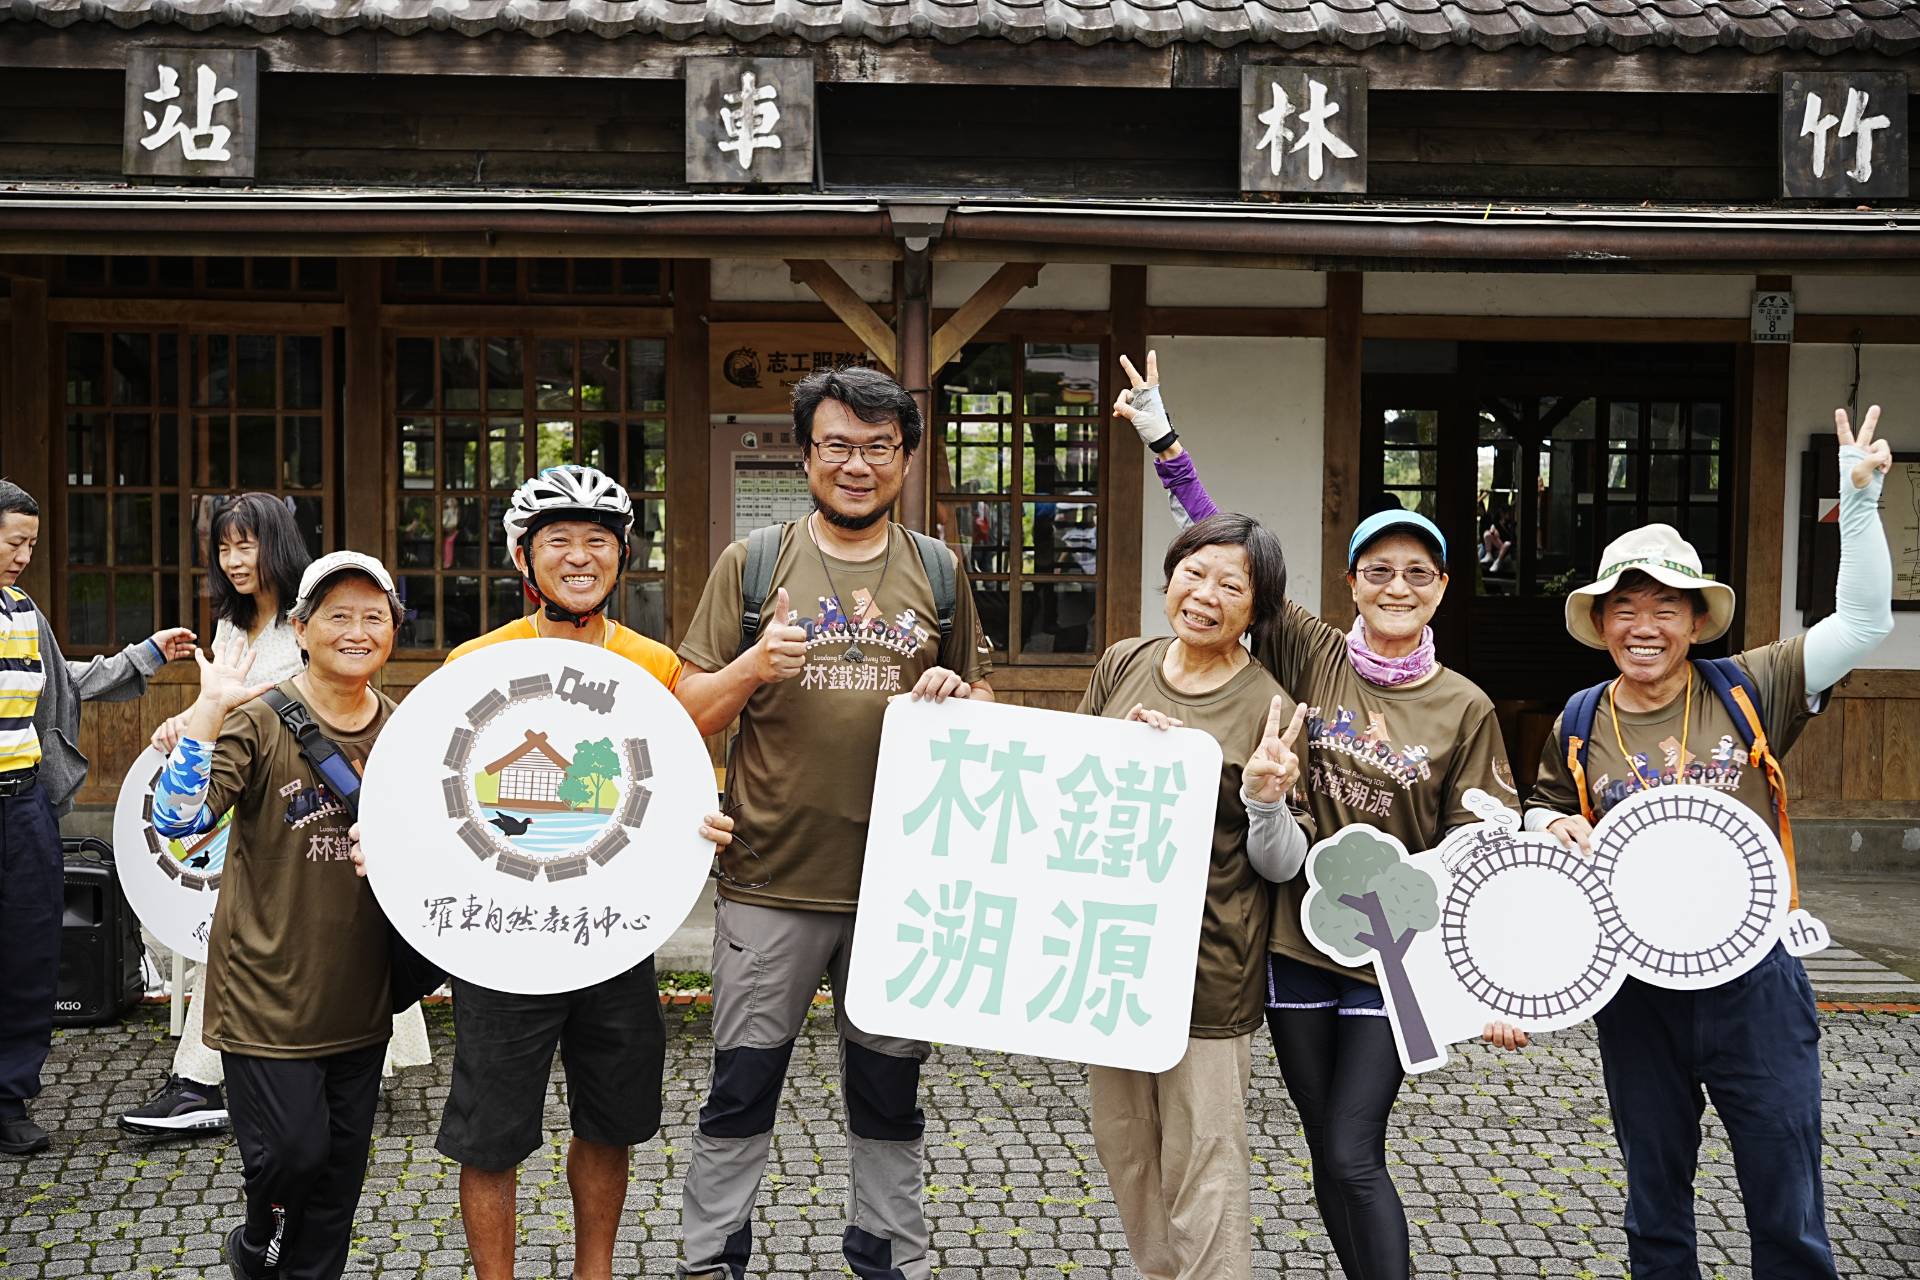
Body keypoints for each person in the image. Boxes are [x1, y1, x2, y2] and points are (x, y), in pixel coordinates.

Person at [1117, 352, 1521, 1280]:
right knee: (1324, 1154)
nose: (1397, 586)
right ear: (1352, 584)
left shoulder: (1465, 706)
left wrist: (1493, 975)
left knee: (1351, 1149)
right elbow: (1223, 551)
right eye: (1378, 570)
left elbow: (1484, 840)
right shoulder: (1311, 653)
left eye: (1418, 573)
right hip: (1296, 949)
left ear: (1442, 589)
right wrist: (1161, 438)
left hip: (1392, 961)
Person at [1508, 406, 1896, 1280]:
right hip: (1636, 989)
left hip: (1754, 980)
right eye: (1624, 608)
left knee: (1785, 1201)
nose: (1643, 625)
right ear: (1601, 621)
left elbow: (1868, 626)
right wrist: (1550, 823)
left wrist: (1860, 504)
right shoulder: (1578, 719)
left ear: (1695, 620)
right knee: (1655, 1203)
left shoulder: (1751, 686)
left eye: (1665, 607)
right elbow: (1536, 810)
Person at [674, 365, 995, 1280]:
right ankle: (711, 1254)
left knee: (890, 1090)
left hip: (903, 885)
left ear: (905, 458)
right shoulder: (756, 563)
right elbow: (690, 706)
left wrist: (956, 691)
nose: (858, 464)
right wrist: (754, 667)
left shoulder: (939, 568)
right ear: (807, 454)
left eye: (879, 447)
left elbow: (981, 696)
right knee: (741, 1083)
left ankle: (886, 1248)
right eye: (838, 445)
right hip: (772, 877)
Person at [432, 463, 737, 1280]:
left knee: (610, 1121)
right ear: (522, 560)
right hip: (501, 937)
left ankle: (592, 1272)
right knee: (490, 1133)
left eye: (596, 540)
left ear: (621, 555)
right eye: (556, 541)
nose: (578, 556)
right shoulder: (475, 659)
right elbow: (431, 784)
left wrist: (700, 820)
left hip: (611, 932)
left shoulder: (656, 662)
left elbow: (677, 776)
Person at [123, 494, 431, 1137]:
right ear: (306, 626)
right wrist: (199, 719)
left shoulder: (393, 720)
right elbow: (229, 713)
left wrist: (201, 718)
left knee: (350, 926)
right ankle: (207, 1077)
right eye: (224, 546)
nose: (234, 560)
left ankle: (334, 1063)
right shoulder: (235, 626)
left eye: (247, 544)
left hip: (326, 806)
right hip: (255, 796)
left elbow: (285, 701)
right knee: (249, 926)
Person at [147, 550, 405, 1279]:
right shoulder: (260, 722)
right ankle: (257, 1239)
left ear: (392, 630)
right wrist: (207, 709)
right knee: (293, 1157)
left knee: (338, 1188)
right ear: (300, 627)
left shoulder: (406, 732)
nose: (356, 630)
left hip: (359, 997)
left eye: (373, 617)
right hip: (264, 997)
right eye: (338, 616)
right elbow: (179, 819)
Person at [1079, 512, 1313, 1280]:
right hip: (1110, 957)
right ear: (1171, 573)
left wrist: (1265, 799)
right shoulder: (1124, 663)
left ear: (1259, 609)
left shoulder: (1268, 706)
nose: (1205, 593)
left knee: (1203, 1161)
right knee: (1126, 1147)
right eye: (1194, 570)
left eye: (1231, 583)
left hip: (1209, 966)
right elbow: (1067, 789)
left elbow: (1280, 866)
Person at [0, 479, 194, 1157]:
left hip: (22, 805)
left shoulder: (23, 612)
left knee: (28, 954)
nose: (23, 556)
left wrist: (144, 655)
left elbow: (65, 682)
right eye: (13, 541)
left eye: (30, 543)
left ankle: (9, 1099)